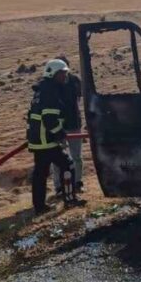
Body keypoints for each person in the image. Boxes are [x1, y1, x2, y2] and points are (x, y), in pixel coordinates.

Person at [27, 59, 79, 212]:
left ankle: (39, 206)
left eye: (66, 73)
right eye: (62, 74)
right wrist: (60, 135)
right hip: (46, 140)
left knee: (40, 174)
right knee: (68, 165)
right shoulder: (51, 92)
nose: (65, 77)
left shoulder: (42, 89)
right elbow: (49, 120)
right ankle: (70, 199)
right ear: (53, 74)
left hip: (37, 140)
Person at [52, 55, 84, 198]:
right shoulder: (52, 84)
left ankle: (77, 183)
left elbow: (83, 95)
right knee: (58, 158)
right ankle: (59, 187)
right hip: (58, 126)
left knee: (76, 156)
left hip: (73, 123)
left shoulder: (75, 80)